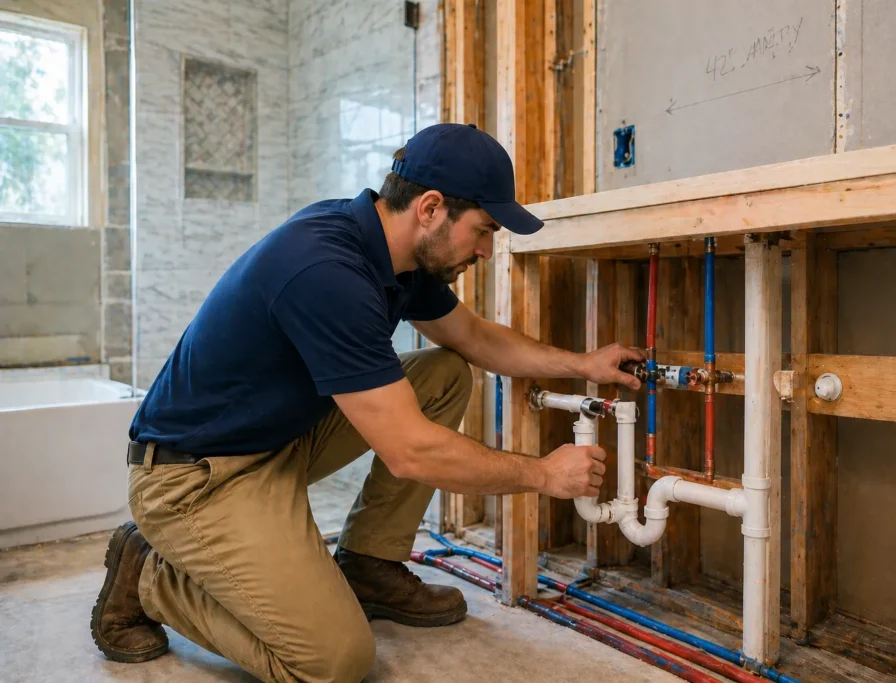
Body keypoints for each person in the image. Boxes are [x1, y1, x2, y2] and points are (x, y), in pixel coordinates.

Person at [89, 122, 644, 683]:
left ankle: (369, 564)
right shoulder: (327, 269)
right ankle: (149, 577)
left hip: (274, 444)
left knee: (444, 372)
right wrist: (543, 474)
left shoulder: (398, 257)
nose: (485, 249)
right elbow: (410, 452)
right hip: (194, 479)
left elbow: (473, 339)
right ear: (430, 208)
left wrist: (582, 364)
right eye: (484, 230)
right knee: (334, 663)